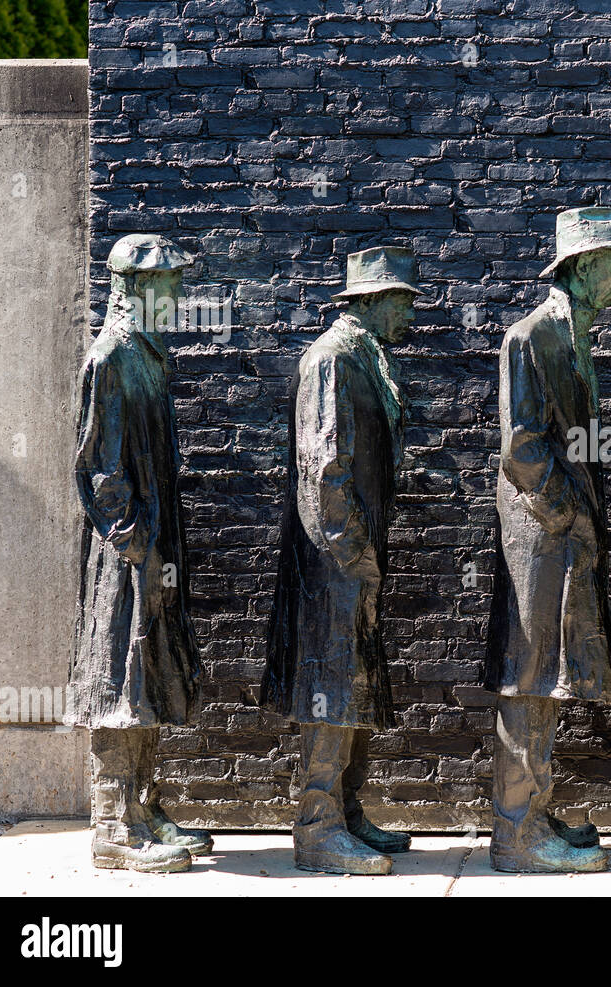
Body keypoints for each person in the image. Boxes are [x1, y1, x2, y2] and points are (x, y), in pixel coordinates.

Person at [485, 207, 611, 872]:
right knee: (530, 675)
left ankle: (536, 811)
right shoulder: (530, 337)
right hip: (541, 537)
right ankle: (515, 834)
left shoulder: (575, 336)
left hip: (565, 536)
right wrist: (568, 512)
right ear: (581, 267)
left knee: (552, 678)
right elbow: (520, 448)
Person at [263, 246, 421, 875]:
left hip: (356, 554)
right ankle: (317, 827)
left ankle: (347, 810)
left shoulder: (367, 358)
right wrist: (354, 552)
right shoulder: (331, 360)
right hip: (334, 558)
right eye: (403, 301)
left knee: (355, 679)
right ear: (373, 301)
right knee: (331, 681)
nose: (410, 314)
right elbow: (325, 466)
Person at [70, 233, 212, 873]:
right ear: (133, 288)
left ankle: (143, 807)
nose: (177, 293)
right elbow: (99, 471)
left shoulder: (148, 356)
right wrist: (134, 545)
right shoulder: (112, 358)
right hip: (126, 553)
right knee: (118, 677)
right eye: (167, 282)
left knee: (148, 673)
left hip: (156, 543)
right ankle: (112, 825)